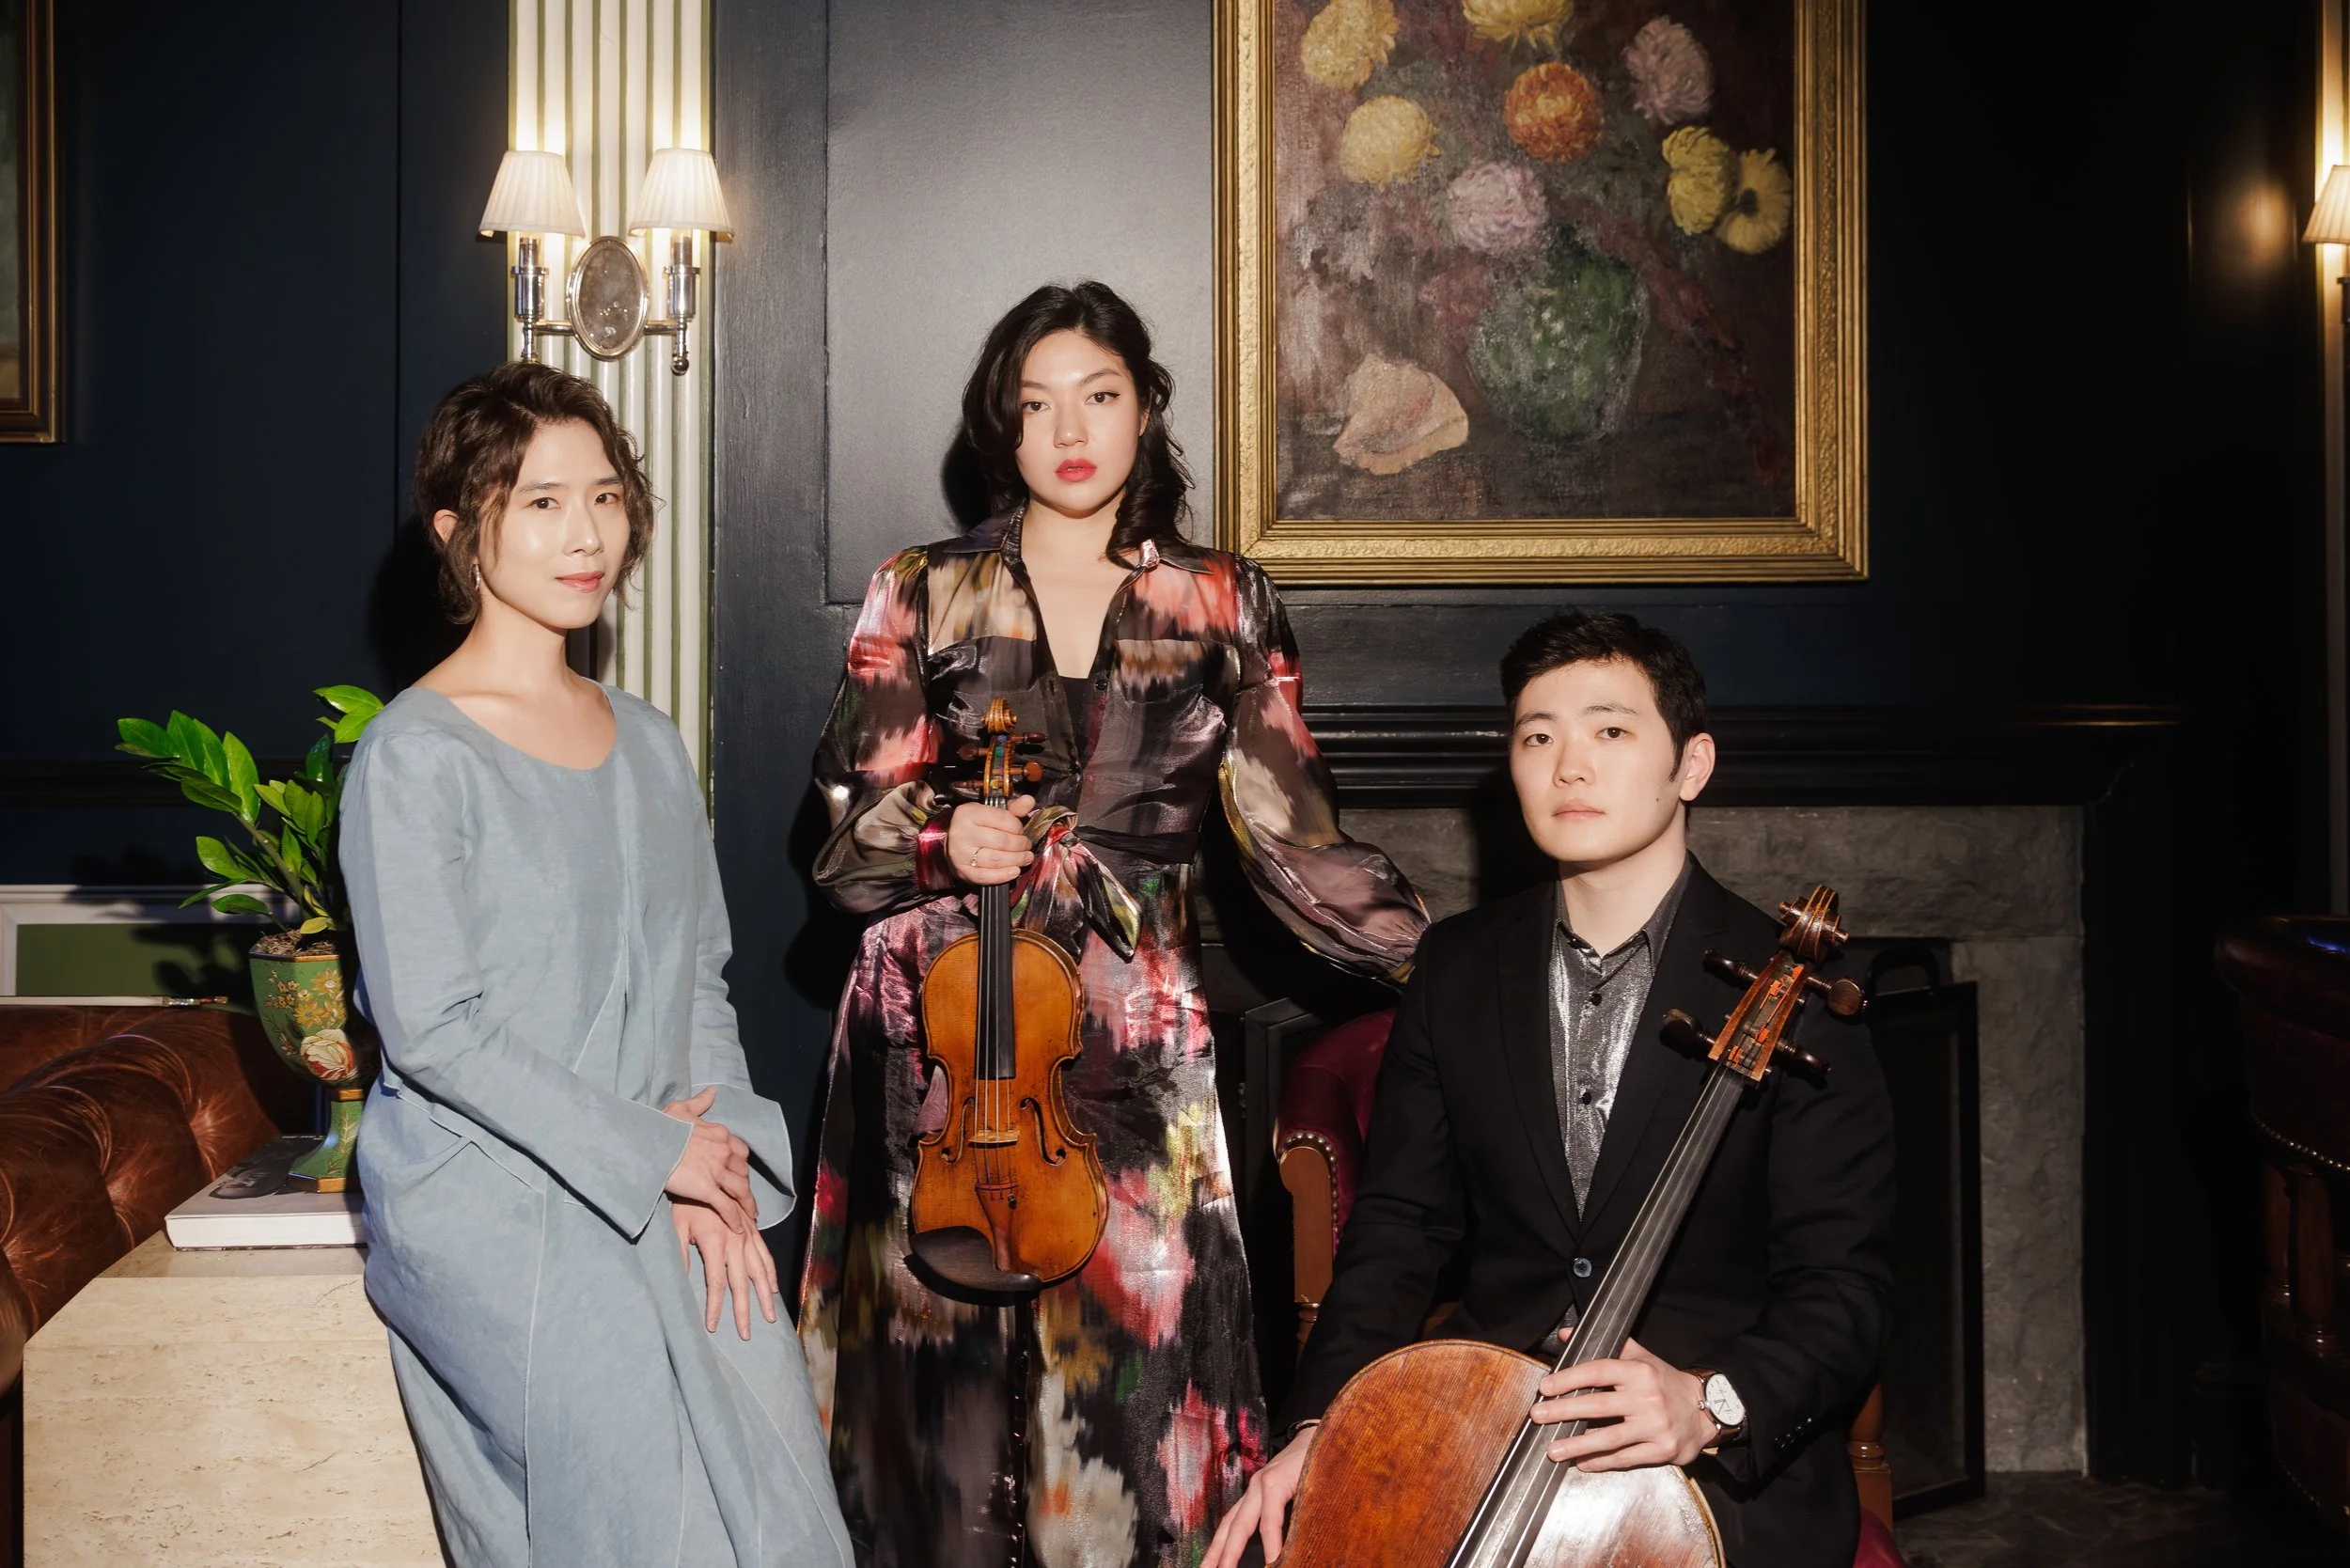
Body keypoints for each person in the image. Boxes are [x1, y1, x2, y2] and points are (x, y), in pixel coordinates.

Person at [797, 281, 1428, 1567]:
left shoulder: (1219, 599)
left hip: (1132, 1045)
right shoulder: (921, 587)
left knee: (1140, 1400)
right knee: (933, 1402)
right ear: (1002, 428)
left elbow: (1295, 841)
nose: (1069, 431)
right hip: (936, 1048)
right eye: (1035, 407)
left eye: (1098, 396)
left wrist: (1459, 964)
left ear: (1146, 408)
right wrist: (937, 842)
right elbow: (839, 845)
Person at [1206, 612, 1895, 1568]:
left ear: (1690, 766)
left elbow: (1844, 1284)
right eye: (1538, 737)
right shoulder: (1456, 964)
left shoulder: (1806, 993)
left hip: (1707, 1451)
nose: (1570, 766)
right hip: (1485, 1414)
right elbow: (1401, 1228)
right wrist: (1324, 1423)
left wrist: (1711, 1402)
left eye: (1611, 730)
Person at [342, 362, 850, 1567]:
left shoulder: (653, 745)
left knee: (769, 1437)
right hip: (490, 1190)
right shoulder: (412, 756)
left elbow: (696, 984)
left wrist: (717, 1165)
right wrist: (653, 1155)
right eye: (541, 502)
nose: (586, 535)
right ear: (458, 532)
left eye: (606, 498)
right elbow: (436, 1035)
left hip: (659, 1150)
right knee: (631, 1468)